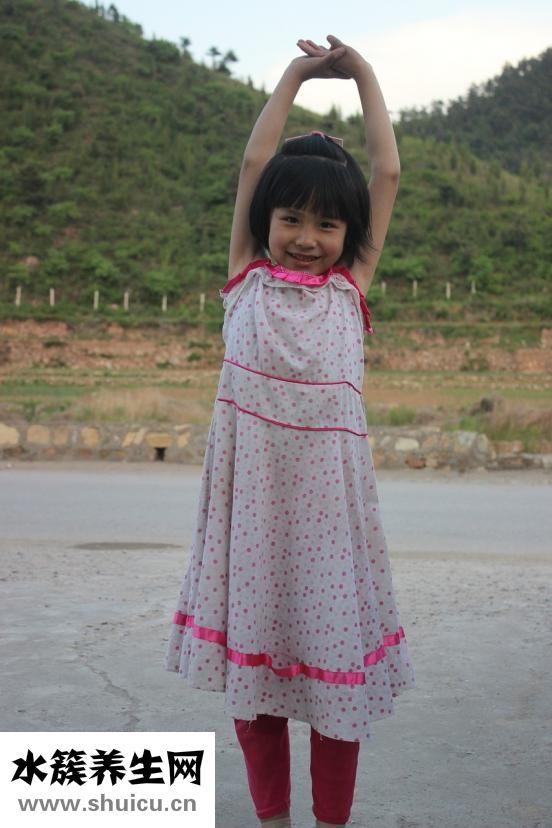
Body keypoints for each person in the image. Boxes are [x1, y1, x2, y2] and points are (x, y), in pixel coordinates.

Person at [165, 35, 416, 828]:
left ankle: (330, 820)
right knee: (258, 690)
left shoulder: (351, 289)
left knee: (336, 693)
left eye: (327, 224)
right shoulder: (244, 278)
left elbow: (387, 172)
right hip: (251, 526)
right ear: (264, 222)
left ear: (351, 235)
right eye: (291, 218)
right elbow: (253, 163)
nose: (307, 236)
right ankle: (272, 817)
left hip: (331, 532)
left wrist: (362, 73)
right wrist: (296, 75)